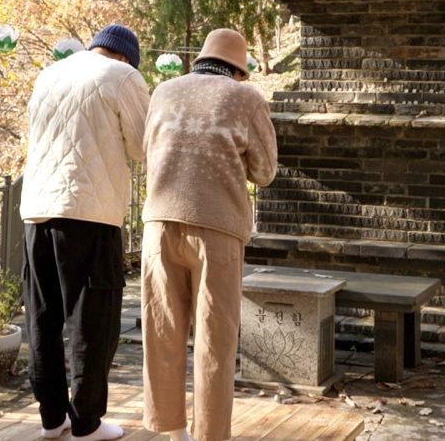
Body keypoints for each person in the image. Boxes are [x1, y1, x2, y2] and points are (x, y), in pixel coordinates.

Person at [140, 28, 278, 441]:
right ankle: (209, 437)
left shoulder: (163, 90)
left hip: (159, 223)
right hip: (217, 229)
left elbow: (149, 148)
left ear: (200, 58)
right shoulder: (246, 98)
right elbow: (266, 172)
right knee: (215, 341)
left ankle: (172, 432)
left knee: (161, 331)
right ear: (239, 69)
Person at [20, 24, 150, 441]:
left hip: (38, 212)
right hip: (90, 214)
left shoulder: (49, 73)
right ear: (126, 56)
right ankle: (87, 422)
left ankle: (51, 418)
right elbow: (145, 145)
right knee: (93, 320)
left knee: (43, 318)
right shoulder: (124, 77)